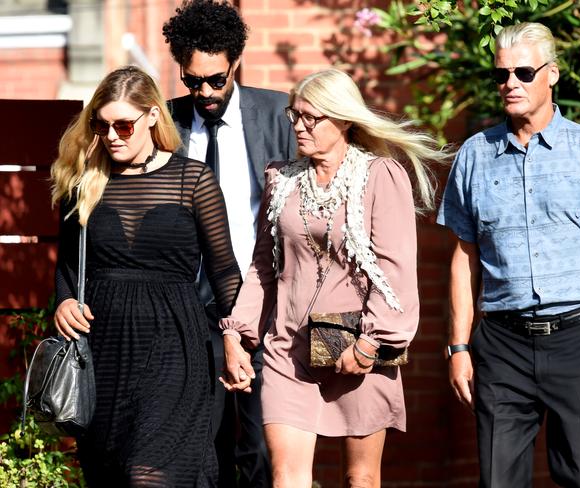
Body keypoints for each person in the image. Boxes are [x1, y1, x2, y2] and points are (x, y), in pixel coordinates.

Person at [219, 68, 448, 488]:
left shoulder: (380, 175)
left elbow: (395, 270)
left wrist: (370, 343)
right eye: (295, 115)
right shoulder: (281, 178)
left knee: (360, 477)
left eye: (312, 117)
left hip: (357, 345)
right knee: (285, 476)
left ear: (343, 120)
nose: (299, 126)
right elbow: (263, 267)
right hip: (287, 349)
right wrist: (238, 331)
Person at [436, 22, 580, 488]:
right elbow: (462, 259)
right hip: (502, 346)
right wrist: (458, 347)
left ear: (552, 74)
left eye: (523, 72)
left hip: (579, 341)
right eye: (501, 74)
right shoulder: (473, 155)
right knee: (499, 482)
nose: (510, 83)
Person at [50, 65, 242, 487]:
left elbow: (224, 270)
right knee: (111, 474)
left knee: (148, 474)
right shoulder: (83, 183)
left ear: (153, 116)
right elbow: (66, 266)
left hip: (174, 344)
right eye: (101, 126)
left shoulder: (193, 180)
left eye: (123, 124)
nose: (112, 135)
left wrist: (235, 337)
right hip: (103, 350)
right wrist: (64, 301)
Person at [162, 2, 296, 486]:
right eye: (192, 81)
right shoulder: (168, 123)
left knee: (261, 448)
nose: (204, 92)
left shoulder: (277, 114)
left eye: (215, 80)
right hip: (189, 312)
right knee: (202, 447)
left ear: (235, 62)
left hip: (262, 305)